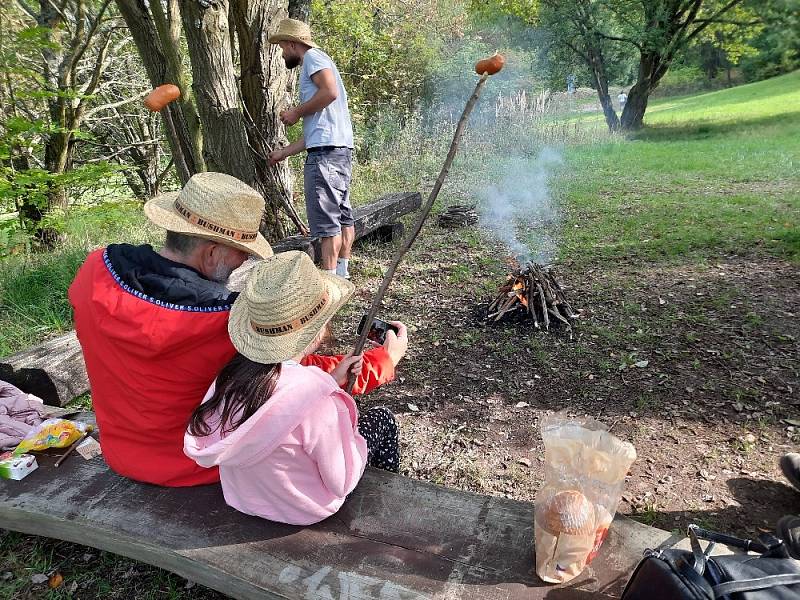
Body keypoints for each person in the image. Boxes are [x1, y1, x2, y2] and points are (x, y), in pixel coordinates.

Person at [69, 172, 394, 487]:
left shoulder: (94, 272)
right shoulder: (223, 324)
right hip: (202, 471)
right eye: (244, 252)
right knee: (378, 425)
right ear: (212, 253)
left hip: (121, 455)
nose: (244, 262)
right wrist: (384, 360)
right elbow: (295, 379)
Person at [184, 252, 408, 525]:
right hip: (303, 510)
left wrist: (331, 379)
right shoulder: (321, 403)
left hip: (245, 499)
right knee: (381, 418)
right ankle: (389, 493)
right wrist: (352, 437)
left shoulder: (229, 379)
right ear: (317, 331)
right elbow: (342, 480)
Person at [267, 19, 355, 280]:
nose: (282, 52)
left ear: (293, 44)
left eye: (283, 46)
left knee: (328, 224)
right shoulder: (321, 60)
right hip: (337, 151)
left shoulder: (313, 58)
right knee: (342, 216)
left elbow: (329, 92)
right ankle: (342, 275)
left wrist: (295, 112)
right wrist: (284, 152)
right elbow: (317, 133)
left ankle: (331, 283)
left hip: (325, 157)